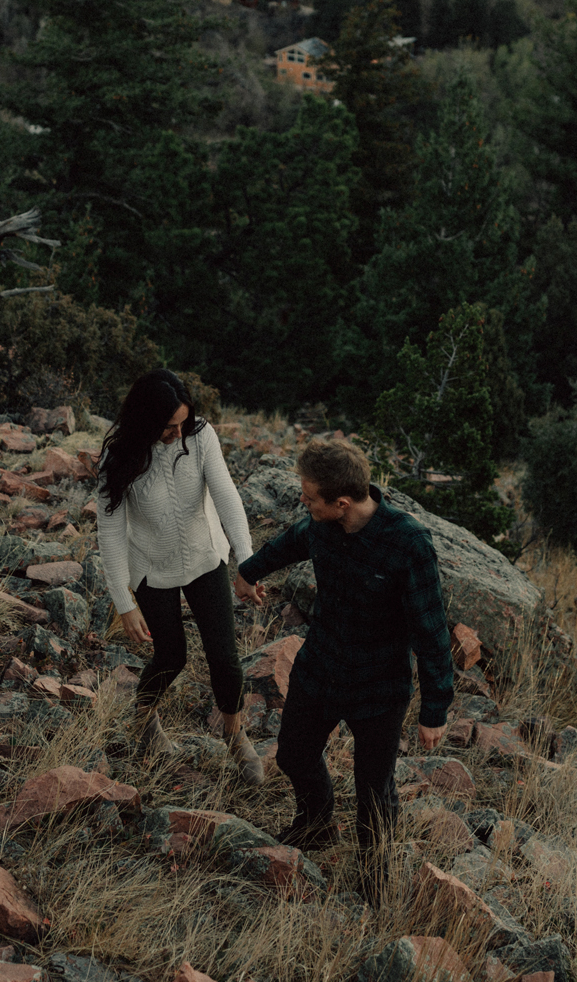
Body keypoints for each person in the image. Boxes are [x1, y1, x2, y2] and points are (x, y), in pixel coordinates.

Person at [234, 437, 453, 872]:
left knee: (374, 792)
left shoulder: (408, 544)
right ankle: (315, 822)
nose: (303, 500)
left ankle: (376, 874)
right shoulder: (321, 525)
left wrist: (435, 710)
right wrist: (248, 572)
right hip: (321, 666)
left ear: (342, 502)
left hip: (380, 684)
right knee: (292, 755)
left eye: (309, 496)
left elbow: (431, 630)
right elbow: (289, 543)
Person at [95, 370, 264, 783]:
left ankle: (234, 733)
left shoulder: (201, 436)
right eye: (168, 427)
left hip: (205, 559)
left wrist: (248, 562)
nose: (177, 433)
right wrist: (124, 602)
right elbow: (111, 533)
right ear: (145, 420)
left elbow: (226, 495)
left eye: (182, 424)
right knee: (171, 656)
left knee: (224, 658)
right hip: (151, 567)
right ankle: (144, 719)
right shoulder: (118, 459)